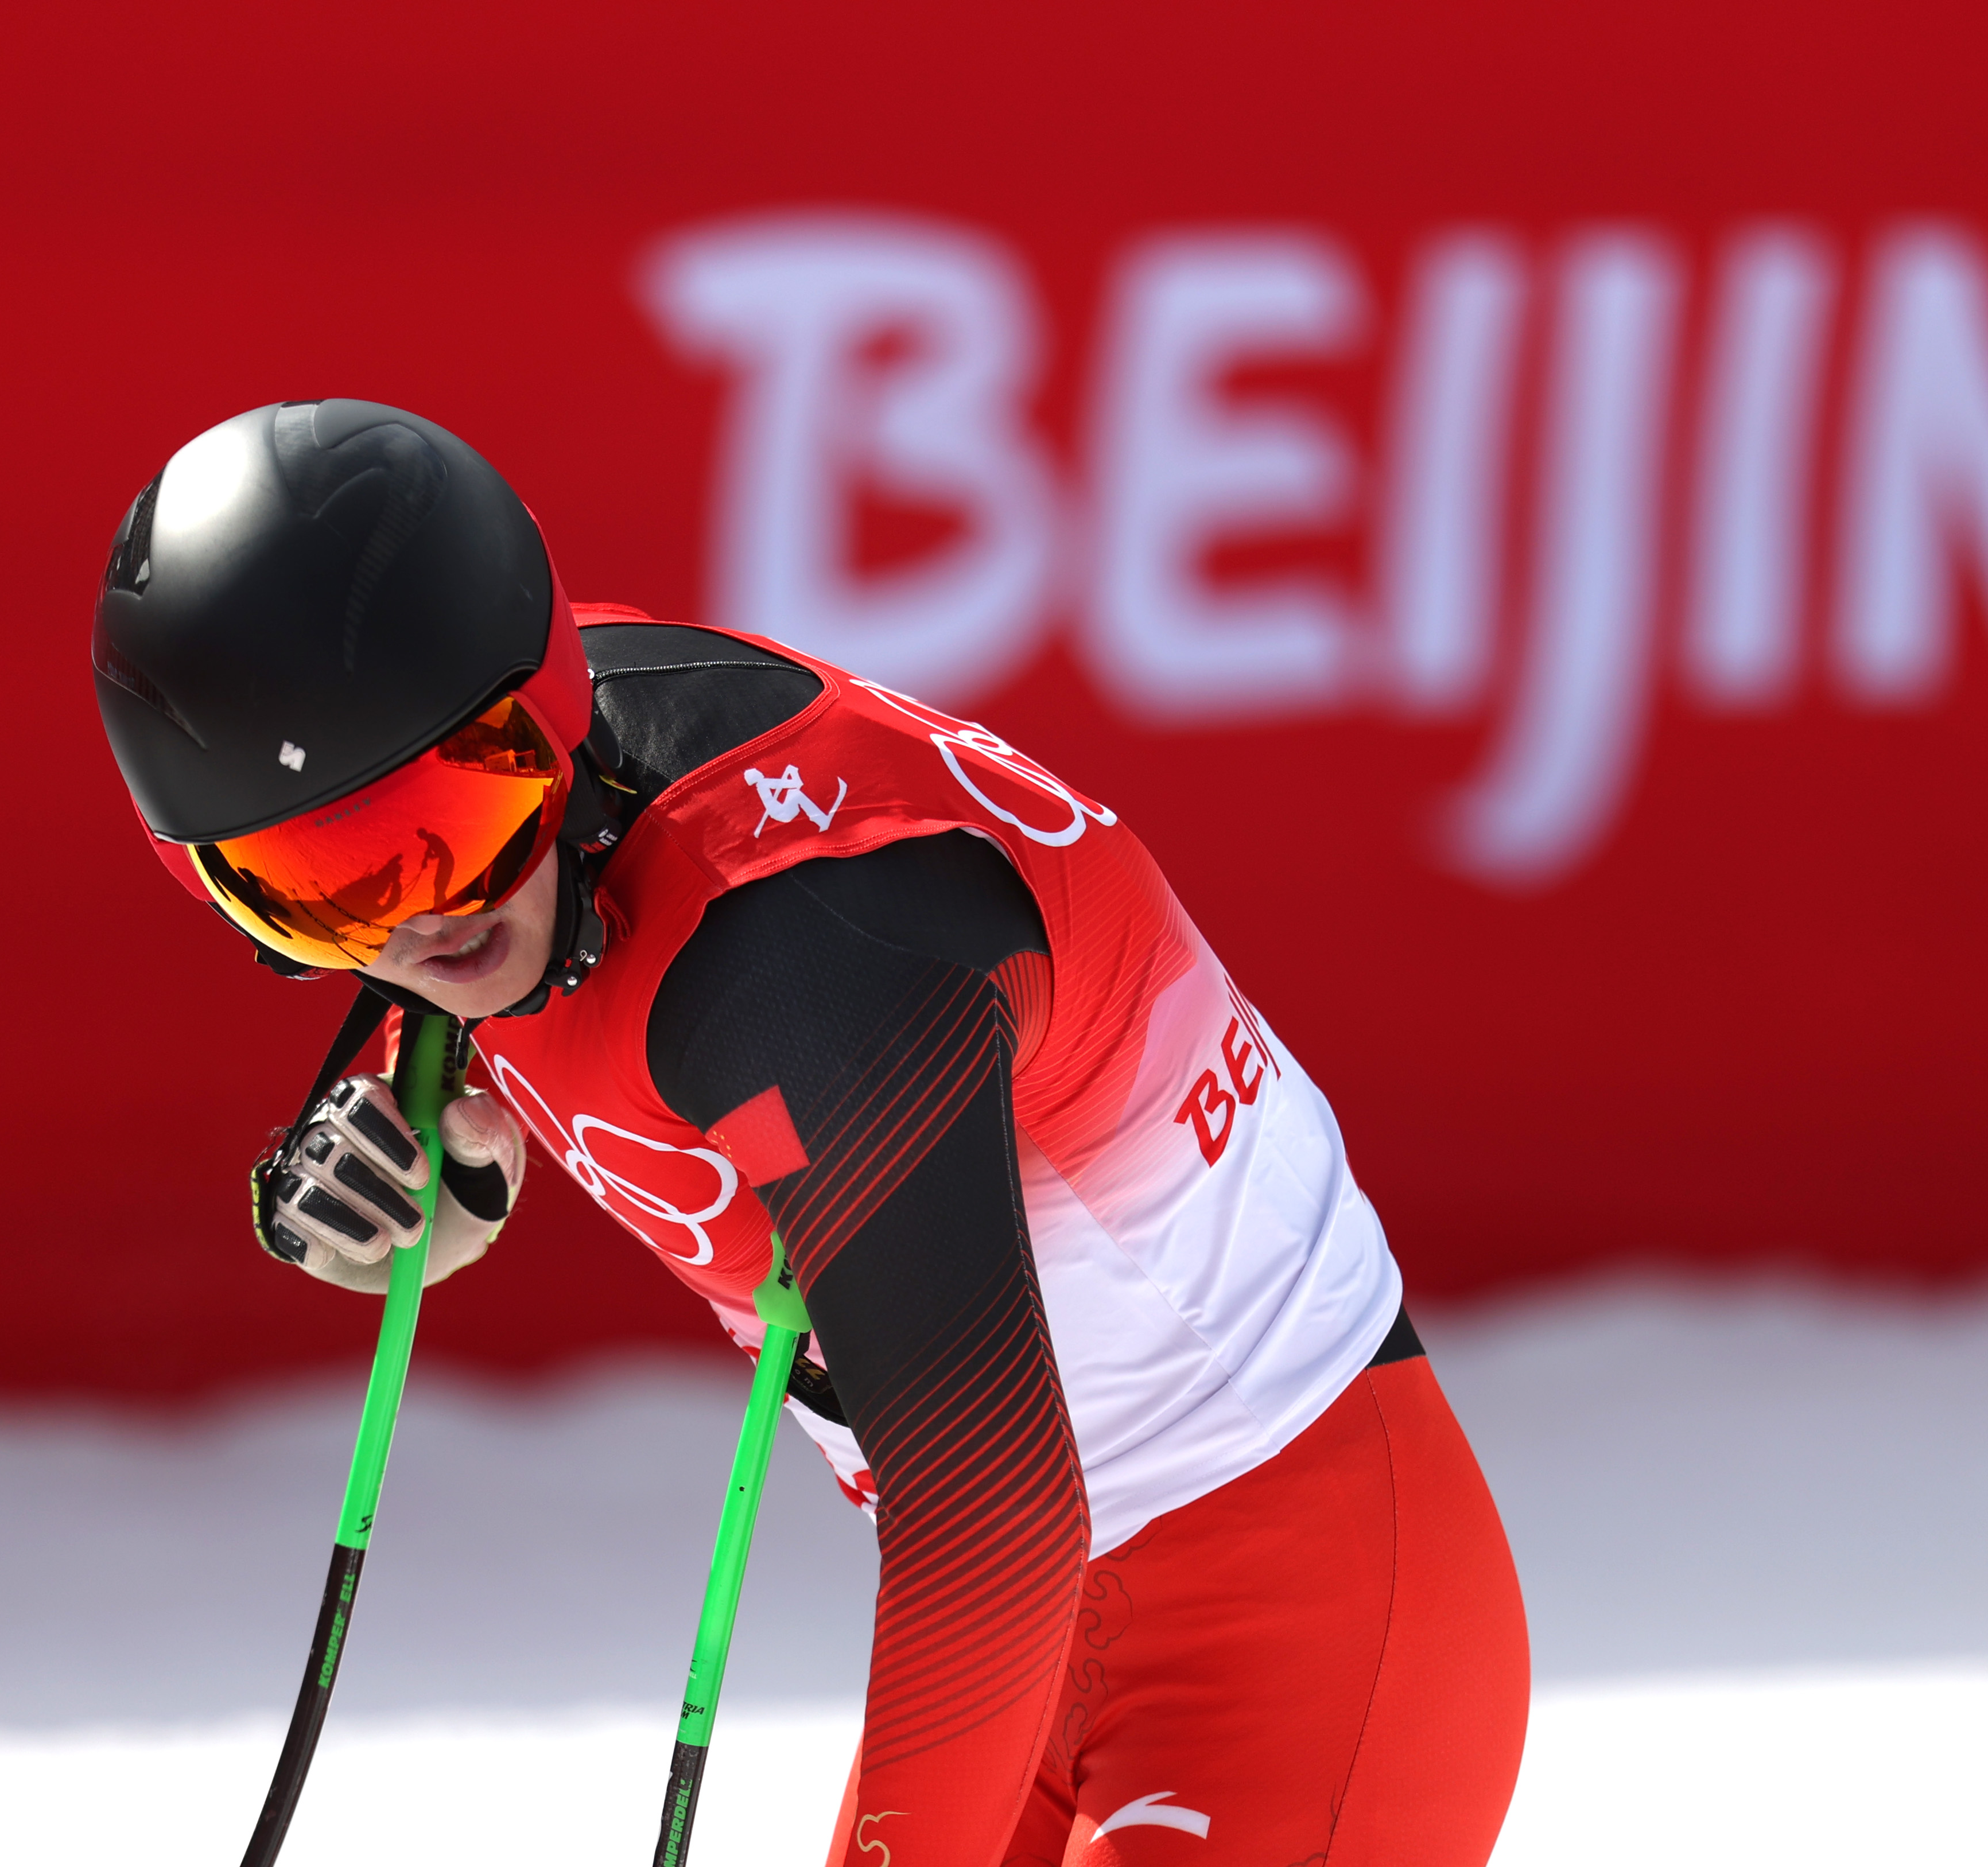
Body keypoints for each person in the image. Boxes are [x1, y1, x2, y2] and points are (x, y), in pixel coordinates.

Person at [94, 399, 1529, 1866]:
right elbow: (477, 985)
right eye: (315, 891)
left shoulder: (806, 973)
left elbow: (991, 1524)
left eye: (455, 828)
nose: (427, 918)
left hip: (1288, 1614)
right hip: (1033, 1634)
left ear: (556, 718)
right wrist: (436, 1155)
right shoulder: (511, 779)